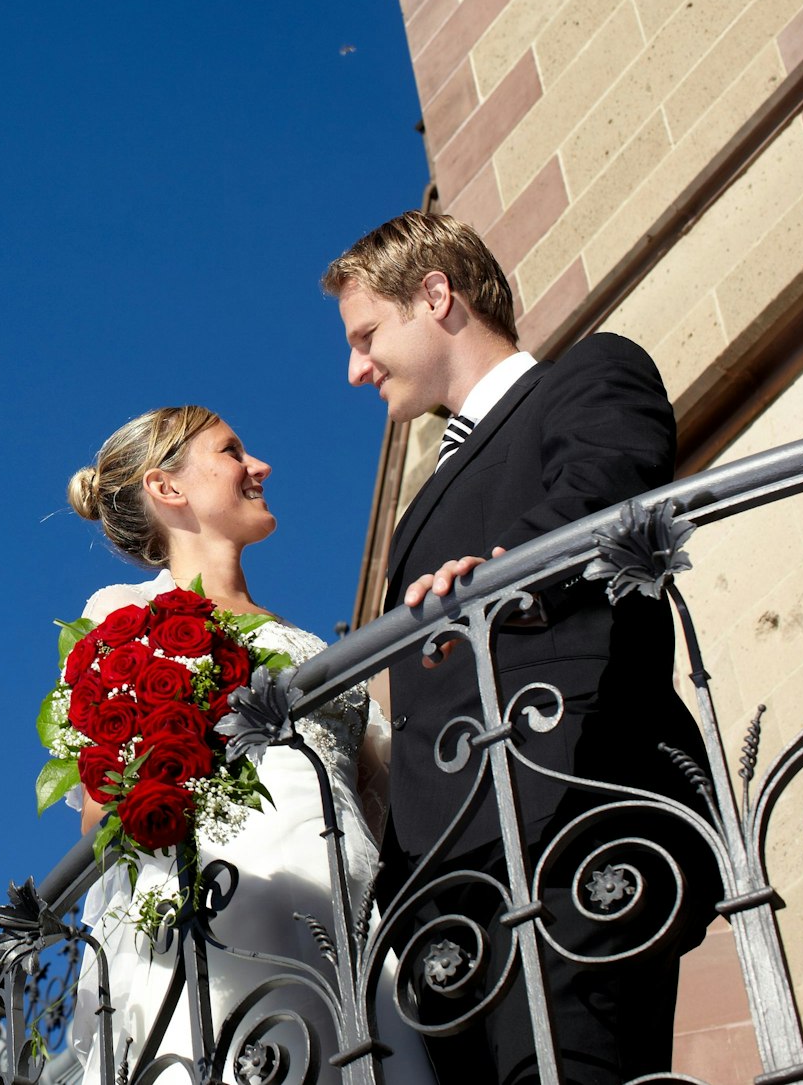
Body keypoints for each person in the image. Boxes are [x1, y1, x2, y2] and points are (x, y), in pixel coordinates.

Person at [325, 210, 715, 1085]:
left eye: (366, 335)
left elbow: (609, 483)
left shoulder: (588, 375)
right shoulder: (421, 505)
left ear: (435, 296)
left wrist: (509, 571)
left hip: (574, 815)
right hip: (450, 891)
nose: (355, 369)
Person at [63, 406, 437, 1085]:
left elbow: (379, 806)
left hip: (347, 923)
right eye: (231, 451)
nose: (258, 466)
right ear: (167, 487)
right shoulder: (125, 612)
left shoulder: (320, 649)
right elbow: (103, 806)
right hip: (227, 915)